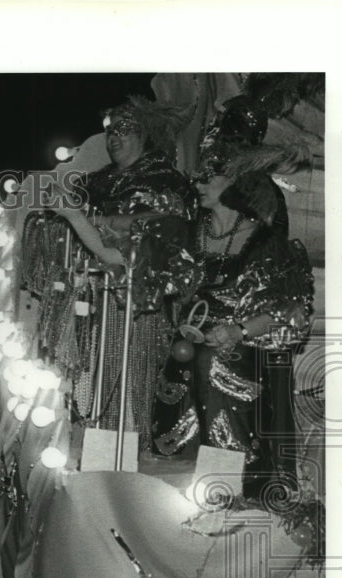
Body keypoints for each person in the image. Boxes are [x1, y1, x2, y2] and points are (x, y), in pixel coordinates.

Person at [154, 96, 314, 497]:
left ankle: (226, 490)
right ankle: (171, 501)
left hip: (237, 354)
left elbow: (290, 310)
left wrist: (238, 331)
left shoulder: (266, 241)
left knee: (215, 369)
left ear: (237, 181)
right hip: (184, 353)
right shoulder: (191, 233)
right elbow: (162, 283)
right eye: (200, 175)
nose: (199, 182)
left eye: (211, 175)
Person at [51, 97, 198, 450]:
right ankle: (88, 447)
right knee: (84, 377)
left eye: (124, 129)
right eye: (110, 130)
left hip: (133, 298)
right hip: (88, 293)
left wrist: (91, 222)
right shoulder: (94, 183)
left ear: (145, 133)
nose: (114, 138)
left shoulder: (165, 181)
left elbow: (159, 234)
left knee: (126, 377)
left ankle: (124, 454)